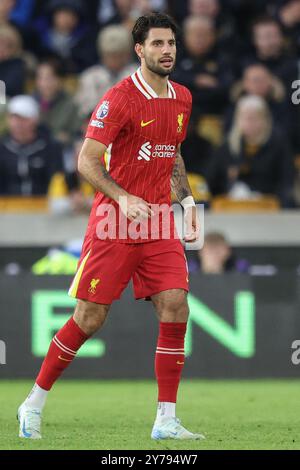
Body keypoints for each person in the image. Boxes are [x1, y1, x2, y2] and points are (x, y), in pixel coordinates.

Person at [17, 12, 204, 441]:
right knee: (89, 317)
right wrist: (122, 196)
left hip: (157, 222)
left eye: (171, 43)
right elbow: (86, 160)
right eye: (157, 44)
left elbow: (172, 154)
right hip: (113, 223)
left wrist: (189, 201)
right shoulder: (119, 99)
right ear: (139, 50)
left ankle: (166, 419)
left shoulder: (183, 98)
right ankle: (33, 403)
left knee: (176, 304)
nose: (167, 50)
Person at [208, 95, 294, 207]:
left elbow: (286, 181)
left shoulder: (278, 144)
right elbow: (212, 182)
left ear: (265, 120)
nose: (250, 123)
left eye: (254, 118)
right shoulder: (227, 146)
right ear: (237, 119)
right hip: (233, 206)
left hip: (267, 204)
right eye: (245, 117)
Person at [75, 25, 136, 118]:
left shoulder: (139, 74)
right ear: (102, 54)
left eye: (118, 54)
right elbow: (85, 110)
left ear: (127, 54)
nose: (114, 59)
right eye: (109, 55)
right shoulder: (90, 76)